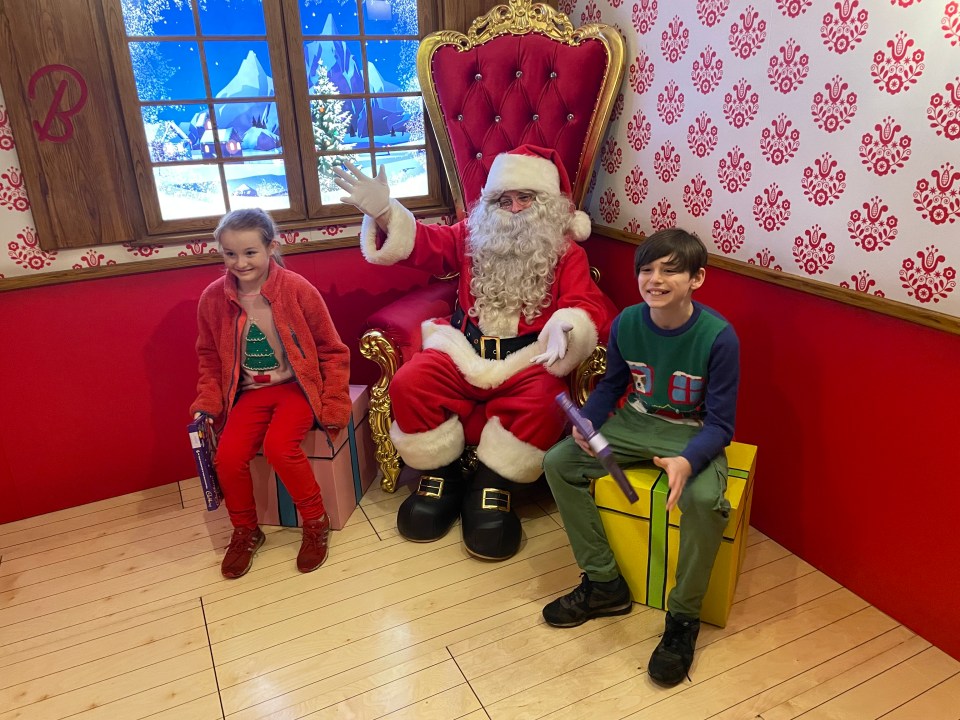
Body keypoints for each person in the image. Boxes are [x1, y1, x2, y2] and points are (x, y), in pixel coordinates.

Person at [334, 145, 616, 561]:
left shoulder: (567, 253)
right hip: (463, 349)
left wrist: (566, 324)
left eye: (526, 198)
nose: (515, 208)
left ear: (548, 205)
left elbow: (586, 304)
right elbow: (425, 244)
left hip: (527, 359)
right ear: (490, 202)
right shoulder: (471, 235)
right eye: (504, 198)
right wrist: (386, 213)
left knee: (545, 401)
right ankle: (440, 476)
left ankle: (493, 484)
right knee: (411, 382)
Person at [540, 228, 740, 687]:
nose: (655, 279)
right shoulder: (628, 322)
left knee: (706, 504)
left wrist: (689, 461)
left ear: (697, 279)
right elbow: (613, 385)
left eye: (671, 270)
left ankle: (683, 619)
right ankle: (605, 582)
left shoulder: (720, 338)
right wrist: (588, 421)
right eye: (646, 269)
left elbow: (720, 425)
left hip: (692, 434)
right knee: (559, 463)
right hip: (635, 421)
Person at [190, 208, 352, 579]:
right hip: (248, 396)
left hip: (295, 389)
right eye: (230, 254)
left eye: (250, 252)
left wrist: (334, 402)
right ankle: (246, 530)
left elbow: (331, 349)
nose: (240, 262)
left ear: (271, 248)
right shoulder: (213, 299)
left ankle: (315, 522)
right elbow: (210, 358)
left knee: (281, 447)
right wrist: (207, 405)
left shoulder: (296, 289)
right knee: (228, 457)